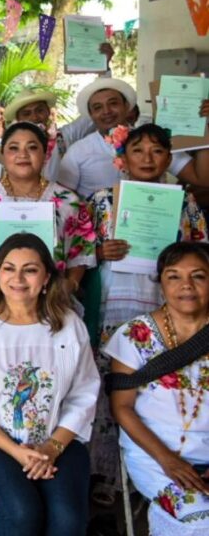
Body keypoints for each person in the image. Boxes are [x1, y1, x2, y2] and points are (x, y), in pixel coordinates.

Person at [0, 233, 99, 536]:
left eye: (29, 269)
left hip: (57, 439)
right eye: (8, 268)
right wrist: (17, 452)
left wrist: (52, 447)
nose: (17, 278)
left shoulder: (69, 325)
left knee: (67, 521)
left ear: (46, 278)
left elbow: (83, 394)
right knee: (21, 514)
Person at [88, 125, 208, 494]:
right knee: (114, 391)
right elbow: (73, 255)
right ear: (122, 159)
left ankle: (170, 459)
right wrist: (98, 253)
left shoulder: (186, 202)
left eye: (156, 151)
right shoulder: (102, 199)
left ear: (169, 158)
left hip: (170, 309)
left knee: (171, 390)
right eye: (138, 150)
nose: (147, 158)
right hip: (114, 307)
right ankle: (108, 480)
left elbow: (202, 253)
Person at [104, 242, 209, 534]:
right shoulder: (136, 335)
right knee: (199, 518)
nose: (186, 285)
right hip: (154, 453)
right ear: (161, 283)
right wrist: (167, 460)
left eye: (198, 276)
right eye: (174, 276)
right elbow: (121, 407)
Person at [0, 122, 97, 311]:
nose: (22, 155)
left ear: (45, 154)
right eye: (14, 148)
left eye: (32, 147)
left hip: (51, 304)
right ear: (2, 154)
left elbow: (81, 251)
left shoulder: (66, 201)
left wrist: (70, 284)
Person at [58, 78, 209, 198]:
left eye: (113, 103)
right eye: (97, 108)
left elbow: (202, 178)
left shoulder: (154, 141)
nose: (106, 111)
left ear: (127, 106)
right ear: (91, 115)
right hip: (101, 232)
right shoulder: (78, 151)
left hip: (154, 225)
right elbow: (63, 199)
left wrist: (205, 128)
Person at [5, 89, 95, 184]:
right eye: (27, 114)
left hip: (61, 197)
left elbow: (92, 115)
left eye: (40, 110)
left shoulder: (65, 136)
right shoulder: (12, 148)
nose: (35, 117)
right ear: (19, 119)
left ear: (48, 112)